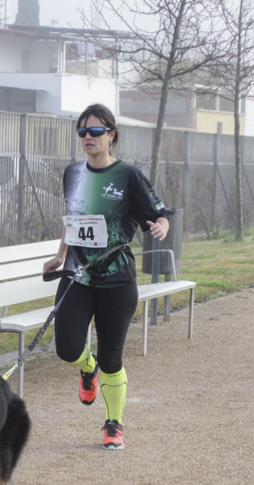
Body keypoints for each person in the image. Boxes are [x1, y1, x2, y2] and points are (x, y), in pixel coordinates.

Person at [42, 103, 170, 451]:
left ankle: (113, 424)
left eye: (95, 131)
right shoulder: (72, 173)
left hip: (117, 279)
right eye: (82, 131)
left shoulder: (128, 175)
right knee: (68, 348)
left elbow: (157, 214)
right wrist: (59, 256)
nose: (87, 137)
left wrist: (160, 226)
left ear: (111, 134)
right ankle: (87, 368)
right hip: (77, 276)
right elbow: (73, 220)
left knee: (112, 357)